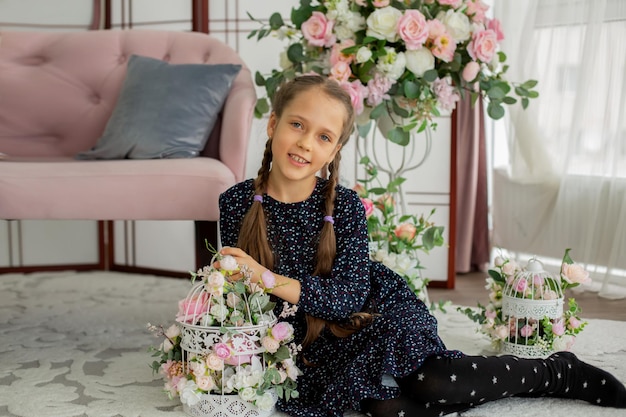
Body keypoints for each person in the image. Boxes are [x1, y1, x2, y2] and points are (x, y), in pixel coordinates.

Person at [217, 74, 626, 417]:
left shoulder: (343, 205)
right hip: (308, 342)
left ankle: (552, 373)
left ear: (334, 150)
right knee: (385, 409)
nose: (306, 143)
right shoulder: (235, 202)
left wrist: (265, 277)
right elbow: (236, 297)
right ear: (272, 124)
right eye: (297, 125)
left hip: (369, 311)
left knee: (431, 382)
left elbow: (346, 297)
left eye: (323, 136)